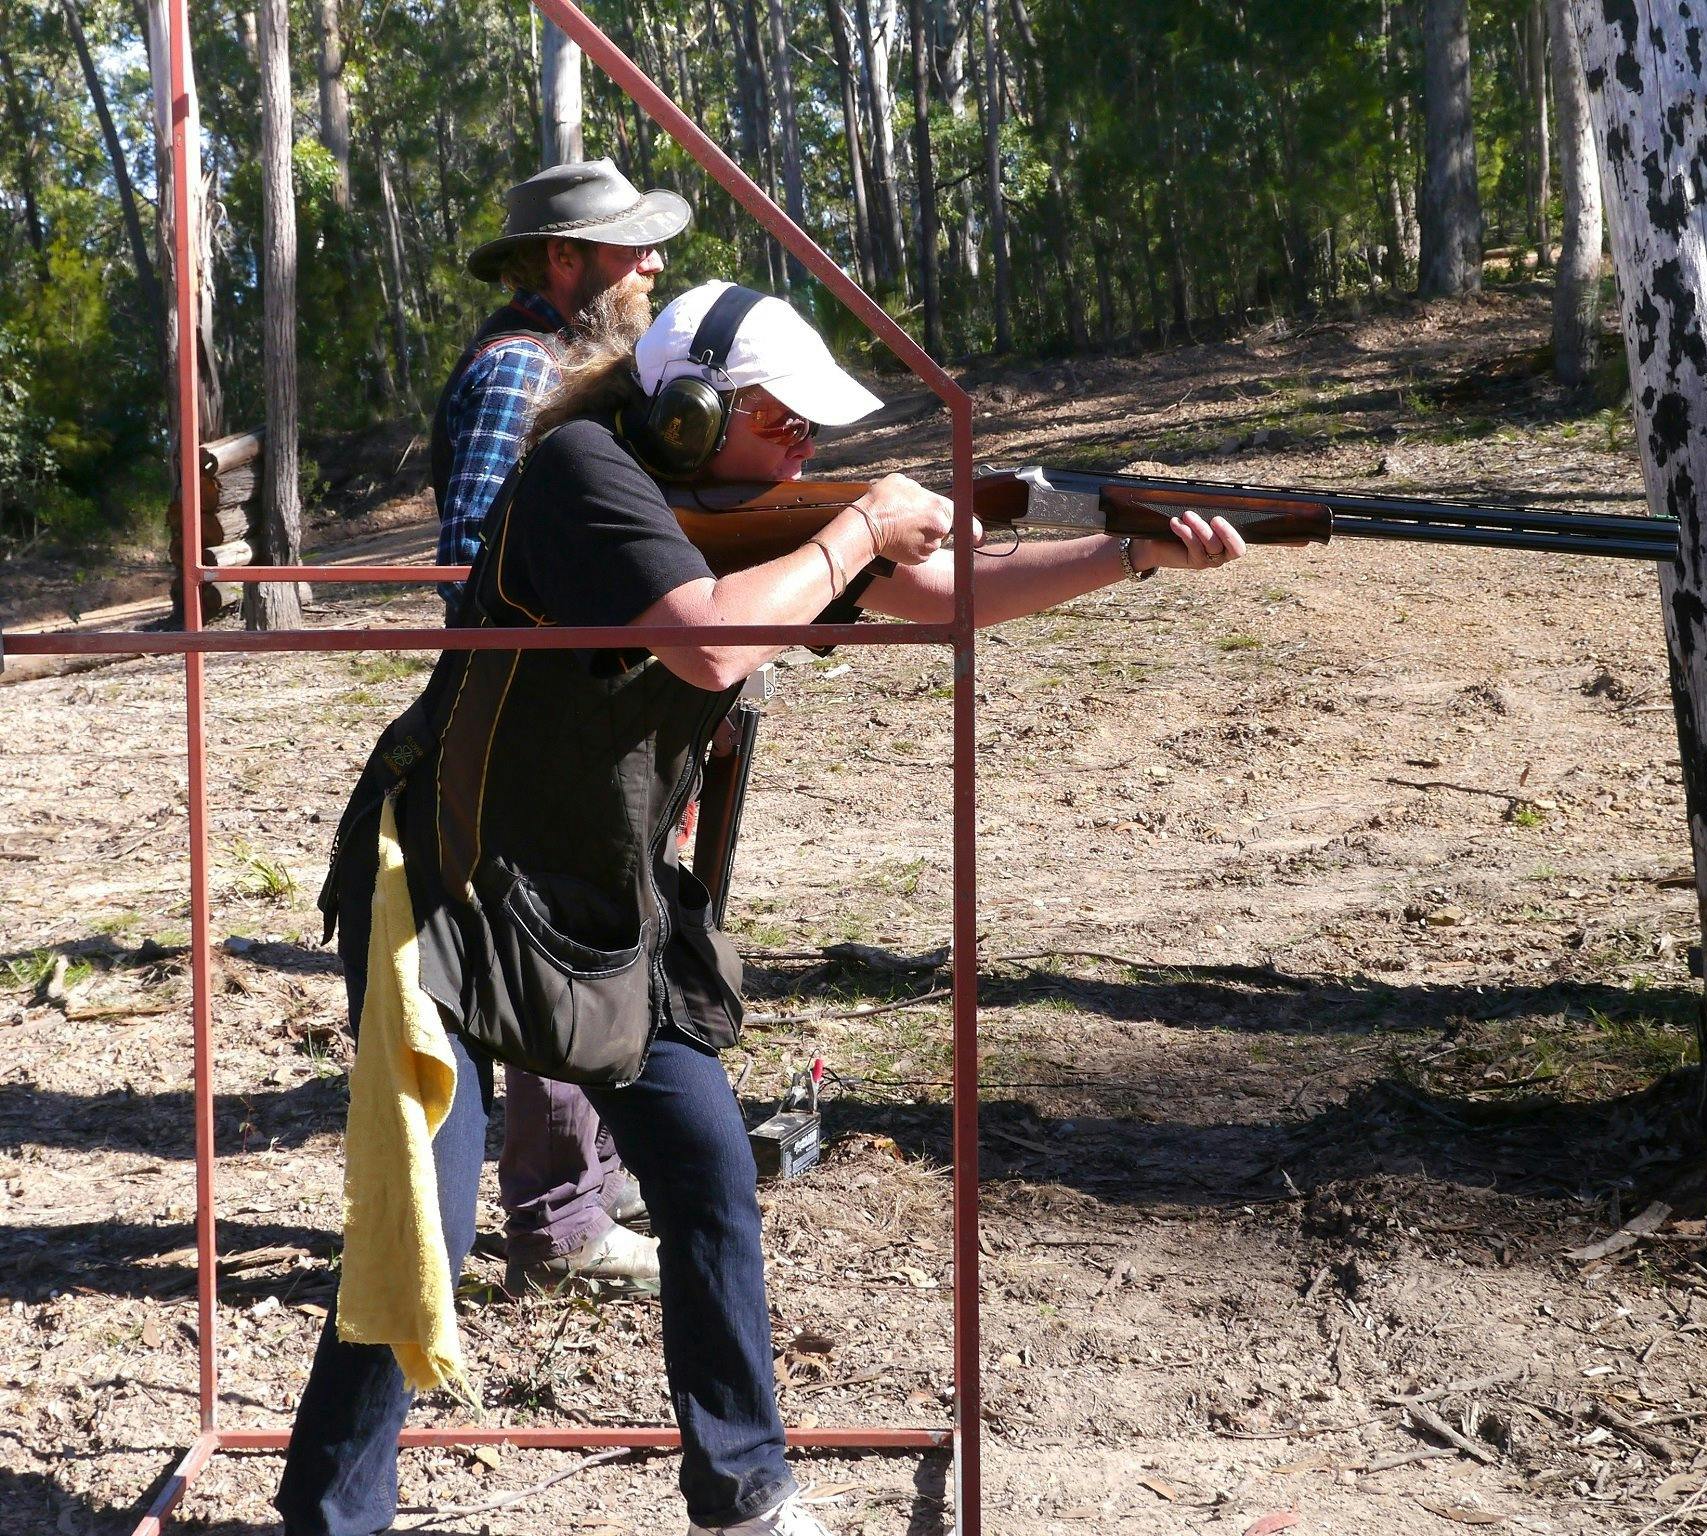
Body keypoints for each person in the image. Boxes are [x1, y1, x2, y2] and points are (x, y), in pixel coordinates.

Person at [278, 280, 1247, 1536]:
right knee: (429, 1223)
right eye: (783, 422)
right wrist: (857, 529)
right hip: (452, 897)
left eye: (812, 430)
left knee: (709, 1171)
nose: (805, 449)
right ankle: (330, 1517)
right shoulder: (582, 472)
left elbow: (949, 599)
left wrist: (1134, 553)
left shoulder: (751, 529)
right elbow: (708, 644)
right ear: (688, 412)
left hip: (595, 907)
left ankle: (743, 1496)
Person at [434, 158, 690, 1296]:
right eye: (630, 248)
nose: (653, 265)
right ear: (562, 259)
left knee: (594, 926)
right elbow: (473, 559)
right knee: (549, 947)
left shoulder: (567, 364)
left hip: (569, 699)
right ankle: (560, 1224)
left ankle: (595, 1178)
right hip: (530, 709)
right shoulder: (518, 372)